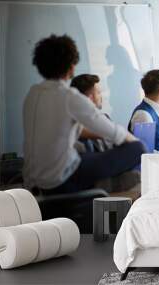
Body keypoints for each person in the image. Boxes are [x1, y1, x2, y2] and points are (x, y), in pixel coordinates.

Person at [23, 35, 145, 194]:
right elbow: (117, 134)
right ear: (71, 67)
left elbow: (71, 130)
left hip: (33, 180)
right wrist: (136, 142)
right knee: (137, 148)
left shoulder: (33, 93)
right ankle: (103, 184)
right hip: (61, 181)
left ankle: (104, 181)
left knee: (86, 155)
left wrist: (99, 136)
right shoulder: (69, 97)